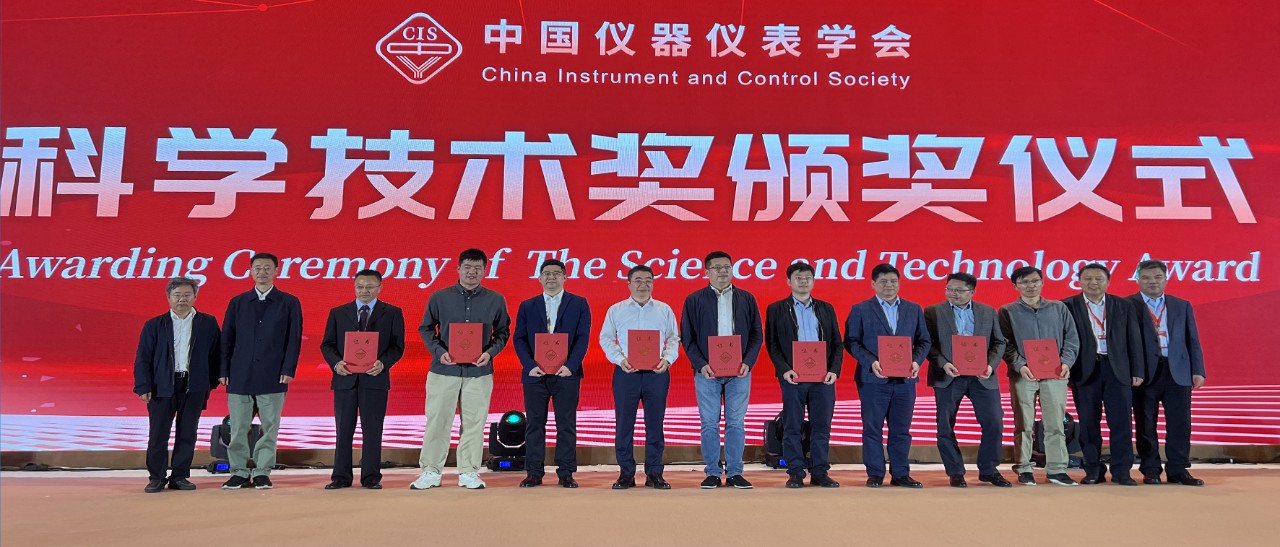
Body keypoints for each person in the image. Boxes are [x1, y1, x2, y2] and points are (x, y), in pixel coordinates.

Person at [412, 248, 511, 490]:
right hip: (443, 370)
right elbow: (426, 328)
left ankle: (468, 471)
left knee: (475, 423)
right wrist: (439, 352)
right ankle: (431, 470)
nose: (471, 272)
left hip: (479, 372)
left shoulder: (496, 299)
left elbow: (502, 332)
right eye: (467, 267)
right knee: (437, 421)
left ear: (485, 271)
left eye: (477, 268)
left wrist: (489, 353)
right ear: (458, 269)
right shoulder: (439, 297)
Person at [680, 251, 763, 490]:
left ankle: (735, 472)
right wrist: (701, 364)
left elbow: (757, 334)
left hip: (740, 372)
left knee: (736, 423)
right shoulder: (694, 300)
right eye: (717, 268)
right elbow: (687, 337)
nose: (723, 271)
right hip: (706, 372)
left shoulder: (746, 298)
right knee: (709, 423)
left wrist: (748, 361)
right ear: (707, 272)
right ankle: (713, 472)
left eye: (727, 267)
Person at [220, 252, 303, 490]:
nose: (262, 272)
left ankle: (262, 472)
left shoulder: (289, 302)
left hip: (273, 374)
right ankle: (238, 471)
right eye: (257, 268)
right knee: (238, 428)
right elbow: (227, 338)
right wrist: (224, 369)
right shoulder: (238, 302)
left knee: (269, 428)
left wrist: (288, 368)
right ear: (250, 271)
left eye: (267, 268)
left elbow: (294, 339)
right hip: (240, 374)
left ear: (276, 271)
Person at [844, 263, 931, 488]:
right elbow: (851, 341)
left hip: (905, 380)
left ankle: (901, 473)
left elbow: (924, 341)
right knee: (872, 428)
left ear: (899, 283)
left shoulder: (914, 309)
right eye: (883, 281)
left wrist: (916, 361)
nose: (889, 285)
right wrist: (871, 362)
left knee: (901, 429)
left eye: (893, 281)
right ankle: (875, 473)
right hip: (873, 379)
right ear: (873, 284)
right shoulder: (860, 309)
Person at [319, 269, 405, 490]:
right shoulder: (338, 312)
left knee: (373, 430)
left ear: (379, 288)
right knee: (343, 430)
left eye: (369, 287)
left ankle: (371, 477)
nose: (364, 290)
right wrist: (336, 363)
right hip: (345, 380)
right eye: (360, 286)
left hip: (375, 380)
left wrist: (383, 363)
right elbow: (327, 345)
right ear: (354, 287)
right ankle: (340, 477)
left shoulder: (392, 313)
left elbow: (397, 347)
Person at [133, 277, 221, 493]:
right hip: (161, 385)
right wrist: (143, 386)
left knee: (188, 433)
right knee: (158, 434)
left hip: (194, 386)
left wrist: (209, 383)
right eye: (177, 295)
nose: (182, 299)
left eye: (187, 295)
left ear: (195, 296)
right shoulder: (155, 324)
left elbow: (216, 354)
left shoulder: (208, 323)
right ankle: (156, 477)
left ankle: (180, 476)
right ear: (168, 297)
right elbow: (143, 358)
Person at [923, 272, 1010, 488]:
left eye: (959, 290)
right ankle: (955, 471)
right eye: (949, 289)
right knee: (945, 425)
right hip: (948, 376)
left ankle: (989, 470)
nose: (953, 294)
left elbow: (999, 342)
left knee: (994, 421)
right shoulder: (933, 311)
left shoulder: (988, 311)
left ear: (972, 292)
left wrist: (990, 365)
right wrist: (943, 363)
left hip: (982, 376)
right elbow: (926, 343)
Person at [512, 259, 591, 488]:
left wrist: (571, 365)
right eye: (547, 273)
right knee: (534, 424)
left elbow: (583, 338)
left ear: (565, 277)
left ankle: (566, 472)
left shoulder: (579, 303)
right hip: (535, 374)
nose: (552, 277)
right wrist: (529, 365)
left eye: (557, 273)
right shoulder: (528, 305)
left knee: (566, 423)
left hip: (567, 374)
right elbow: (519, 338)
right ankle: (534, 472)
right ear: (539, 278)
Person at [599, 265, 680, 490]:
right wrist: (620, 359)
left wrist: (667, 359)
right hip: (627, 373)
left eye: (648, 280)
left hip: (657, 373)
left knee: (655, 424)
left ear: (653, 283)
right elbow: (606, 338)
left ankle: (655, 473)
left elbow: (674, 338)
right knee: (624, 424)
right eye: (638, 280)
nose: (643, 284)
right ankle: (626, 473)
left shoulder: (664, 309)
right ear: (629, 284)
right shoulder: (616, 310)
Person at [998, 266, 1080, 486]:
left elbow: (1071, 338)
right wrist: (1019, 365)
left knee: (1055, 423)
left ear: (1042, 282)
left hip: (1055, 374)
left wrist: (1066, 362)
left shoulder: (1058, 308)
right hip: (1023, 375)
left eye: (1035, 281)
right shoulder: (1007, 311)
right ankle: (1024, 468)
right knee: (1023, 423)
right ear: (1015, 286)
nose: (1030, 286)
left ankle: (1057, 469)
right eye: (1024, 282)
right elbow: (1005, 343)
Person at [764, 262, 843, 489]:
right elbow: (773, 344)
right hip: (793, 377)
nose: (803, 281)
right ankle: (796, 472)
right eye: (798, 277)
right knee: (792, 426)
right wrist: (784, 370)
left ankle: (820, 471)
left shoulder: (826, 308)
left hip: (823, 379)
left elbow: (837, 343)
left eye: (808, 277)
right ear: (789, 281)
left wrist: (833, 370)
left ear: (813, 281)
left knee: (821, 427)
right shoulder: (776, 309)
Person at [1063, 263, 1142, 486]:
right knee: (1088, 424)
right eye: (1088, 278)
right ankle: (1092, 470)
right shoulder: (1067, 306)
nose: (1093, 283)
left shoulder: (1124, 305)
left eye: (1099, 279)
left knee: (1121, 423)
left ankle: (1122, 471)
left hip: (1118, 371)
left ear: (1108, 282)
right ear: (1079, 281)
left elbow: (1134, 339)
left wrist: (1137, 370)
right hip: (1084, 370)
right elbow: (1062, 340)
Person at [1129, 259, 1206, 486]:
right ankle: (1150, 469)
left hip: (1178, 372)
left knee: (1180, 423)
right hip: (1144, 374)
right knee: (1145, 424)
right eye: (1146, 277)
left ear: (1166, 279)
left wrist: (1198, 370)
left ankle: (1178, 470)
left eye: (1157, 277)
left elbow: (1192, 340)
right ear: (1138, 280)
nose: (1152, 281)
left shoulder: (1181, 305)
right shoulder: (1127, 305)